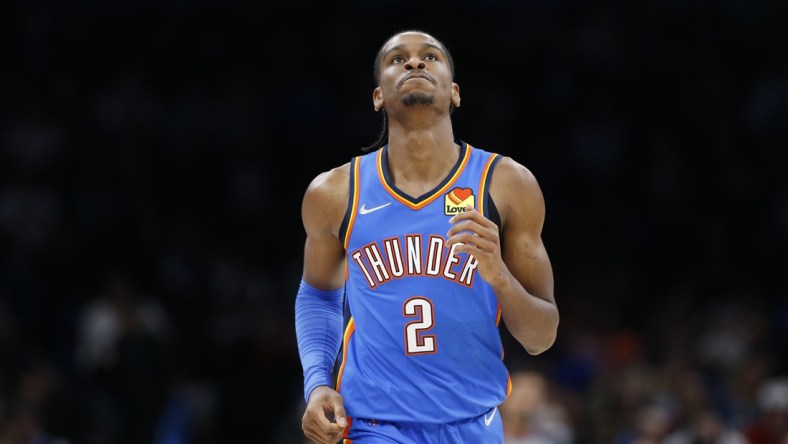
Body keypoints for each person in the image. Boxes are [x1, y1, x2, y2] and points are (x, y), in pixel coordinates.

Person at [294, 29, 559, 444]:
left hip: (475, 424)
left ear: (454, 93)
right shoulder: (335, 192)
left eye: (430, 56)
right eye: (397, 59)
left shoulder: (506, 184)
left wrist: (500, 276)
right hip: (373, 427)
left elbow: (541, 337)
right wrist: (316, 382)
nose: (415, 63)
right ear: (378, 95)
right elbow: (319, 294)